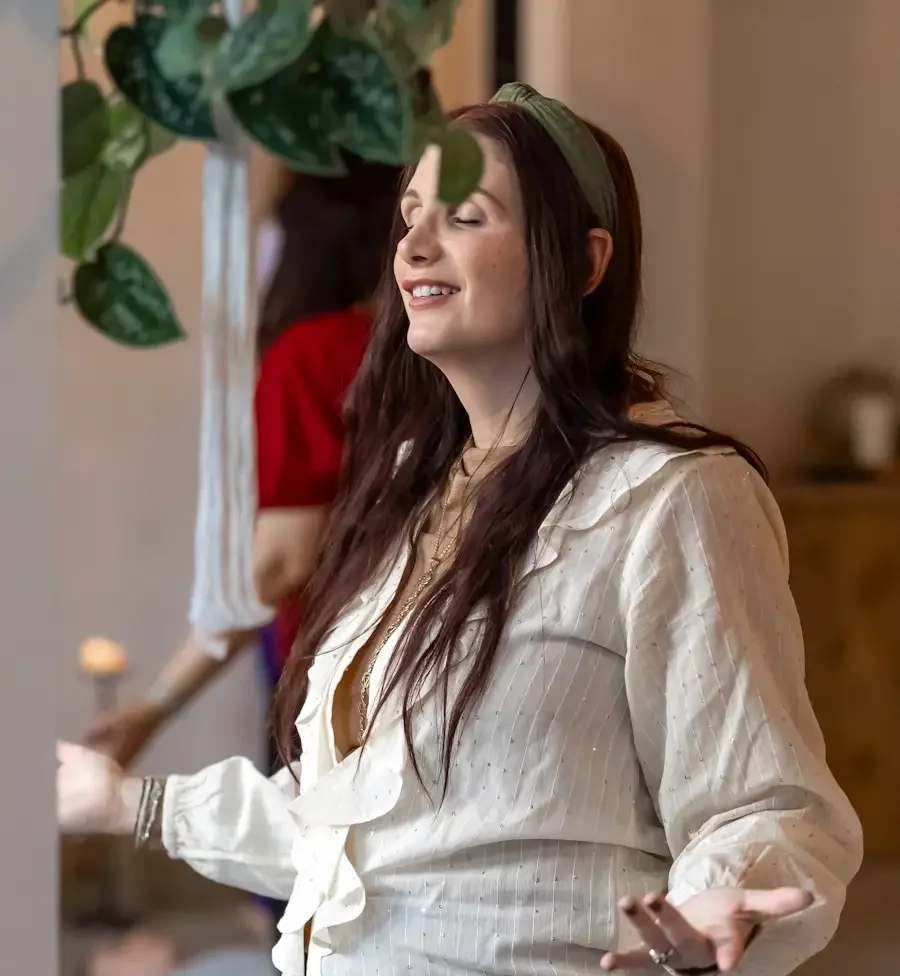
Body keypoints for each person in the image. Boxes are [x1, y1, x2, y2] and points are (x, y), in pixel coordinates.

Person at [59, 83, 863, 976]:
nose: (413, 245)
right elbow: (350, 836)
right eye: (408, 216)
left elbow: (765, 804)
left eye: (467, 216)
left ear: (582, 262)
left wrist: (718, 908)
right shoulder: (411, 488)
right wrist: (129, 802)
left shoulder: (671, 497)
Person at [83, 156, 400, 770]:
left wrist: (157, 704)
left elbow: (281, 560)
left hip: (332, 675)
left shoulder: (312, 355)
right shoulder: (419, 351)